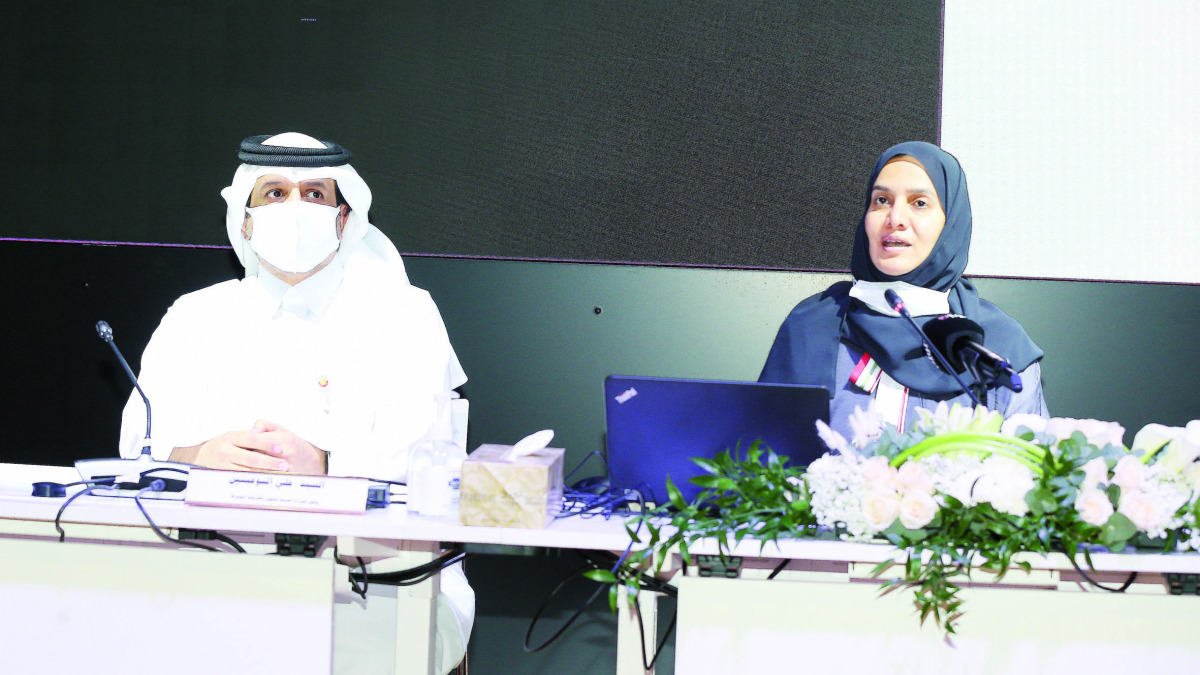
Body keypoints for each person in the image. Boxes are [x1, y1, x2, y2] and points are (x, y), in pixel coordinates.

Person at [119, 132, 472, 674]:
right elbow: (135, 452)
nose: (296, 208)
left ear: (343, 217)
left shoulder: (404, 316)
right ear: (245, 218)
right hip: (210, 567)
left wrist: (326, 467)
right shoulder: (195, 316)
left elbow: (430, 462)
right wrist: (195, 457)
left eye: (314, 194)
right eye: (276, 193)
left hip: (375, 576)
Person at [759, 141, 1047, 440]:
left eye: (919, 203)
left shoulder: (998, 346)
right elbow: (761, 462)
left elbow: (1031, 475)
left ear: (951, 223)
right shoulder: (812, 325)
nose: (894, 219)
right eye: (881, 200)